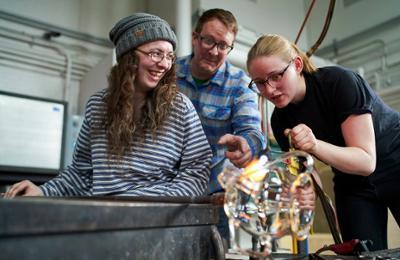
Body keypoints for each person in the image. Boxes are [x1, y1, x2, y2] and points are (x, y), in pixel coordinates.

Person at [4, 13, 212, 198]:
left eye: (169, 56)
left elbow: (196, 172)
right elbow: (82, 173)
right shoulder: (98, 106)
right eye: (156, 53)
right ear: (128, 56)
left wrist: (144, 203)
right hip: (107, 221)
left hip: (159, 223)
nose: (165, 64)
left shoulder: (180, 107)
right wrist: (43, 190)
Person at [246, 33, 400, 251]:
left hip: (395, 159)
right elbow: (307, 170)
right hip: (351, 182)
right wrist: (306, 188)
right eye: (260, 83)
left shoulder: (339, 82)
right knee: (361, 253)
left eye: (276, 76)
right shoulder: (280, 120)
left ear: (297, 64)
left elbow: (366, 162)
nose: (269, 90)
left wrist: (315, 144)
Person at [175, 8, 266, 244]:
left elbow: (253, 132)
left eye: (223, 46)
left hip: (214, 196)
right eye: (208, 41)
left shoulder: (240, 84)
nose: (215, 51)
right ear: (195, 38)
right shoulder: (168, 75)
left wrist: (247, 145)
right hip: (169, 192)